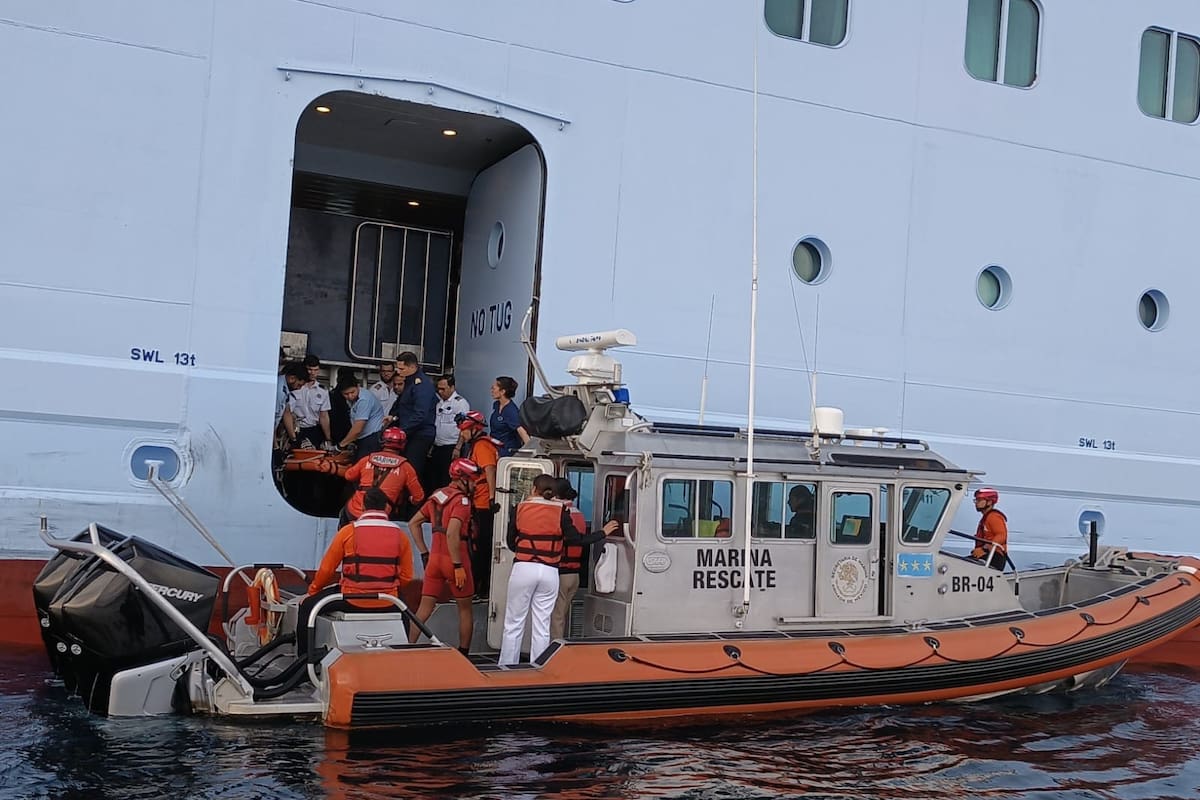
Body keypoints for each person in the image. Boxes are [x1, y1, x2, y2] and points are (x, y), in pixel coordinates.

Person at [500, 475, 618, 666]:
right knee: (542, 624)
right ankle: (539, 666)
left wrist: (524, 553)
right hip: (550, 571)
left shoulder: (520, 508)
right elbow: (576, 539)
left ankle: (506, 665)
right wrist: (602, 533)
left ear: (533, 489)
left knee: (514, 622)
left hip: (523, 567)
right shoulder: (561, 511)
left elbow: (510, 539)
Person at [297, 488, 414, 657]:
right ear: (386, 508)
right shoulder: (400, 535)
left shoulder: (348, 531)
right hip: (388, 601)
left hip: (351, 599)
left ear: (362, 506)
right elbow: (407, 577)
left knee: (307, 608)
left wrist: (312, 592)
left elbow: (327, 569)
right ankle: (402, 657)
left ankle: (304, 662)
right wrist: (388, 591)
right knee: (405, 614)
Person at [406, 458, 481, 656]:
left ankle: (407, 647)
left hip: (434, 561)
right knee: (465, 609)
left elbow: (413, 523)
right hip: (456, 560)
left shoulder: (435, 497)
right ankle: (464, 653)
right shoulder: (462, 502)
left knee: (423, 609)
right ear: (463, 479)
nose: (475, 485)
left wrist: (424, 552)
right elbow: (452, 533)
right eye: (473, 480)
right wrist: (457, 565)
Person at [550, 478, 615, 641]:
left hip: (561, 572)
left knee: (555, 617)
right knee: (561, 615)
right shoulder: (578, 514)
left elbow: (569, 539)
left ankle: (552, 652)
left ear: (555, 494)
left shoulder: (559, 514)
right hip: (574, 574)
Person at [455, 410, 501, 597]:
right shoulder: (478, 444)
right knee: (480, 546)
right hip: (479, 501)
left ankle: (481, 588)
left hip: (484, 503)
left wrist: (491, 497)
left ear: (474, 429)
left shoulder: (481, 446)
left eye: (464, 430)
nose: (462, 434)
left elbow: (489, 470)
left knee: (482, 548)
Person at [340, 427, 425, 525]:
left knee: (345, 512)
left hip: (355, 511)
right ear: (403, 444)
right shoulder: (406, 467)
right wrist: (410, 500)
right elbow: (418, 497)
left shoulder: (367, 459)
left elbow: (349, 476)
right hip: (383, 515)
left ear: (382, 441)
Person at [389, 351, 437, 486]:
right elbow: (402, 404)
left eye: (402, 368)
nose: (399, 371)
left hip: (420, 434)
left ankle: (414, 503)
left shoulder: (422, 385)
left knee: (412, 471)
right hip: (409, 432)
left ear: (412, 367)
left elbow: (420, 414)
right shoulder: (409, 382)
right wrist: (392, 417)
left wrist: (402, 431)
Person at [429, 375, 470, 489]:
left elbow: (464, 426)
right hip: (438, 446)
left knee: (447, 479)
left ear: (452, 387)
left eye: (443, 389)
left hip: (451, 447)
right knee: (435, 479)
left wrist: (458, 447)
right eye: (439, 389)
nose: (441, 391)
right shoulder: (439, 403)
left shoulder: (460, 403)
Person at [335, 376, 385, 457]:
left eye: (352, 392)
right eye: (346, 394)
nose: (350, 396)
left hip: (372, 437)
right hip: (363, 437)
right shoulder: (353, 399)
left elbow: (357, 429)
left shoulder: (364, 400)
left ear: (358, 386)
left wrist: (341, 446)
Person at [282, 362, 331, 447]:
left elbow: (324, 416)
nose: (312, 373)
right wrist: (293, 436)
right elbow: (287, 412)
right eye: (310, 370)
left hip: (314, 429)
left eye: (316, 370)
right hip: (296, 428)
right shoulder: (294, 386)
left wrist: (328, 438)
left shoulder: (322, 391)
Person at [489, 376, 529, 457]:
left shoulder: (511, 411)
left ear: (502, 391)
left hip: (506, 451)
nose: (491, 390)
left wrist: (530, 451)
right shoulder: (496, 405)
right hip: (494, 446)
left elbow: (522, 432)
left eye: (494, 388)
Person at [971, 487, 1008, 570]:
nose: (976, 503)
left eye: (979, 500)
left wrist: (984, 549)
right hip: (987, 555)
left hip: (994, 557)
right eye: (976, 500)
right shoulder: (986, 517)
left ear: (990, 502)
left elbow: (1002, 535)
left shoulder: (993, 517)